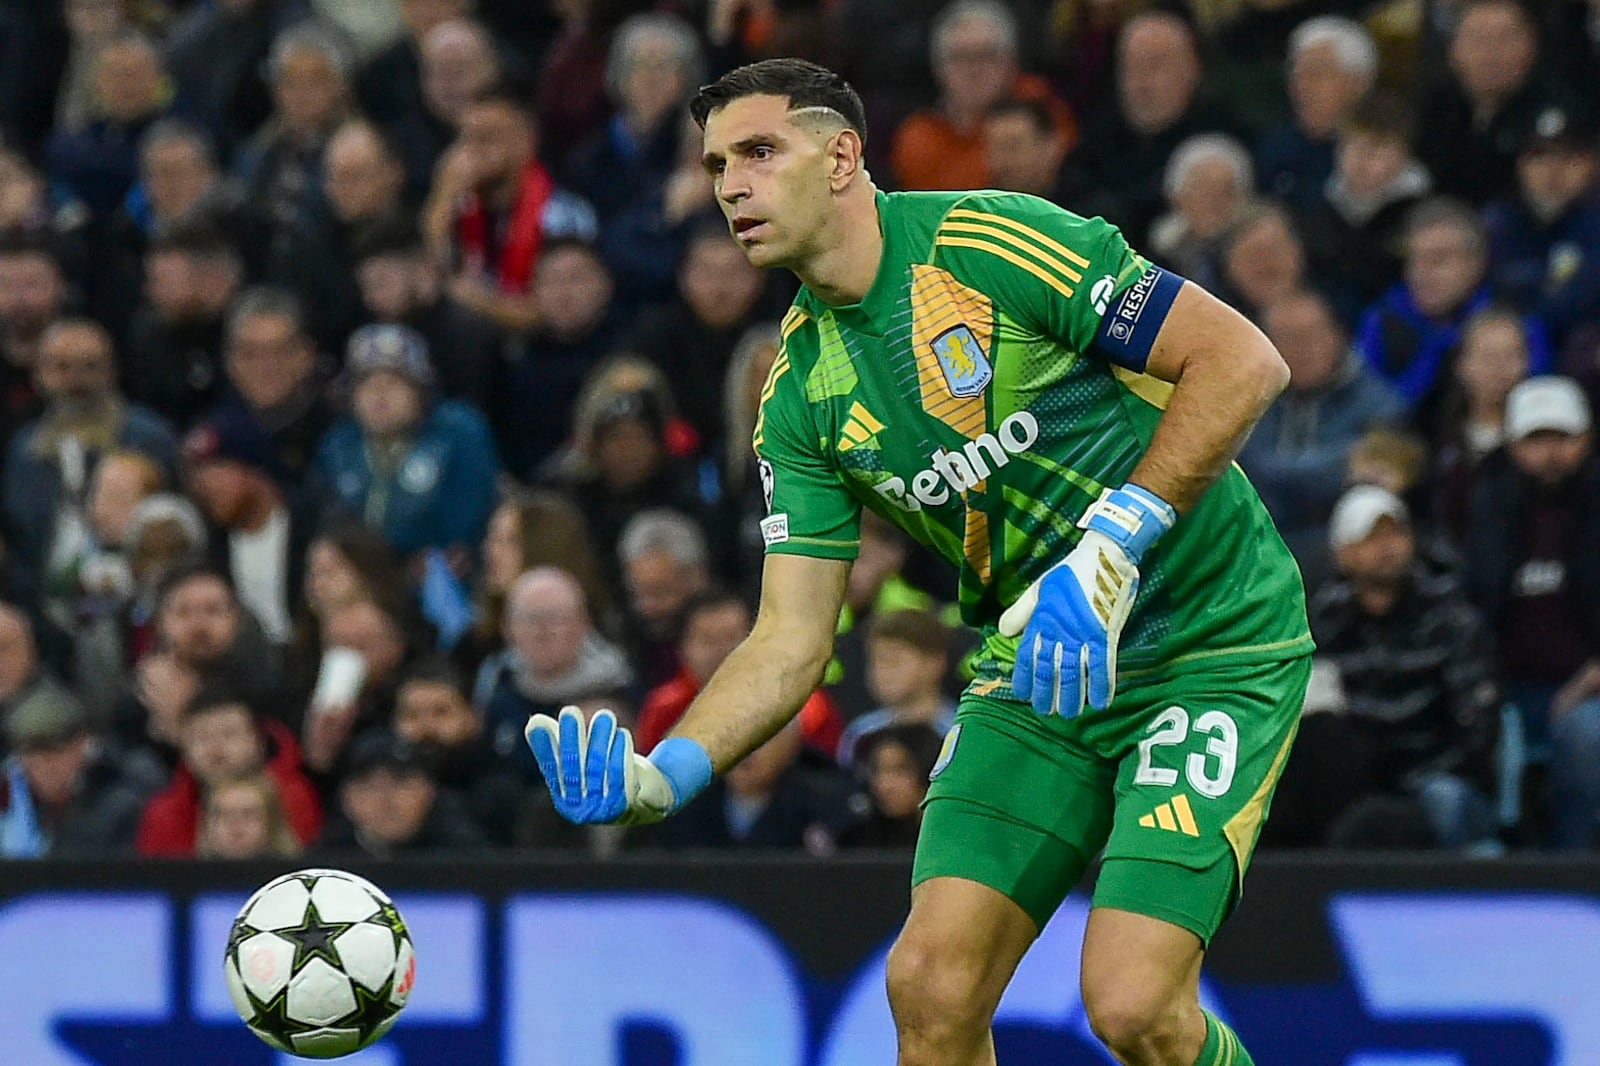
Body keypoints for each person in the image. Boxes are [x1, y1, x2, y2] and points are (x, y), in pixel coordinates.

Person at [526, 60, 1310, 1066]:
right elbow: (791, 637)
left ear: (842, 154)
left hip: (1208, 639)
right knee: (928, 990)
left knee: (1131, 1004)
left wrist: (1114, 538)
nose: (729, 185)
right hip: (1039, 671)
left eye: (759, 152)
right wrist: (665, 770)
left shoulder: (984, 242)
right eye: (717, 163)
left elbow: (1243, 359)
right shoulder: (799, 393)